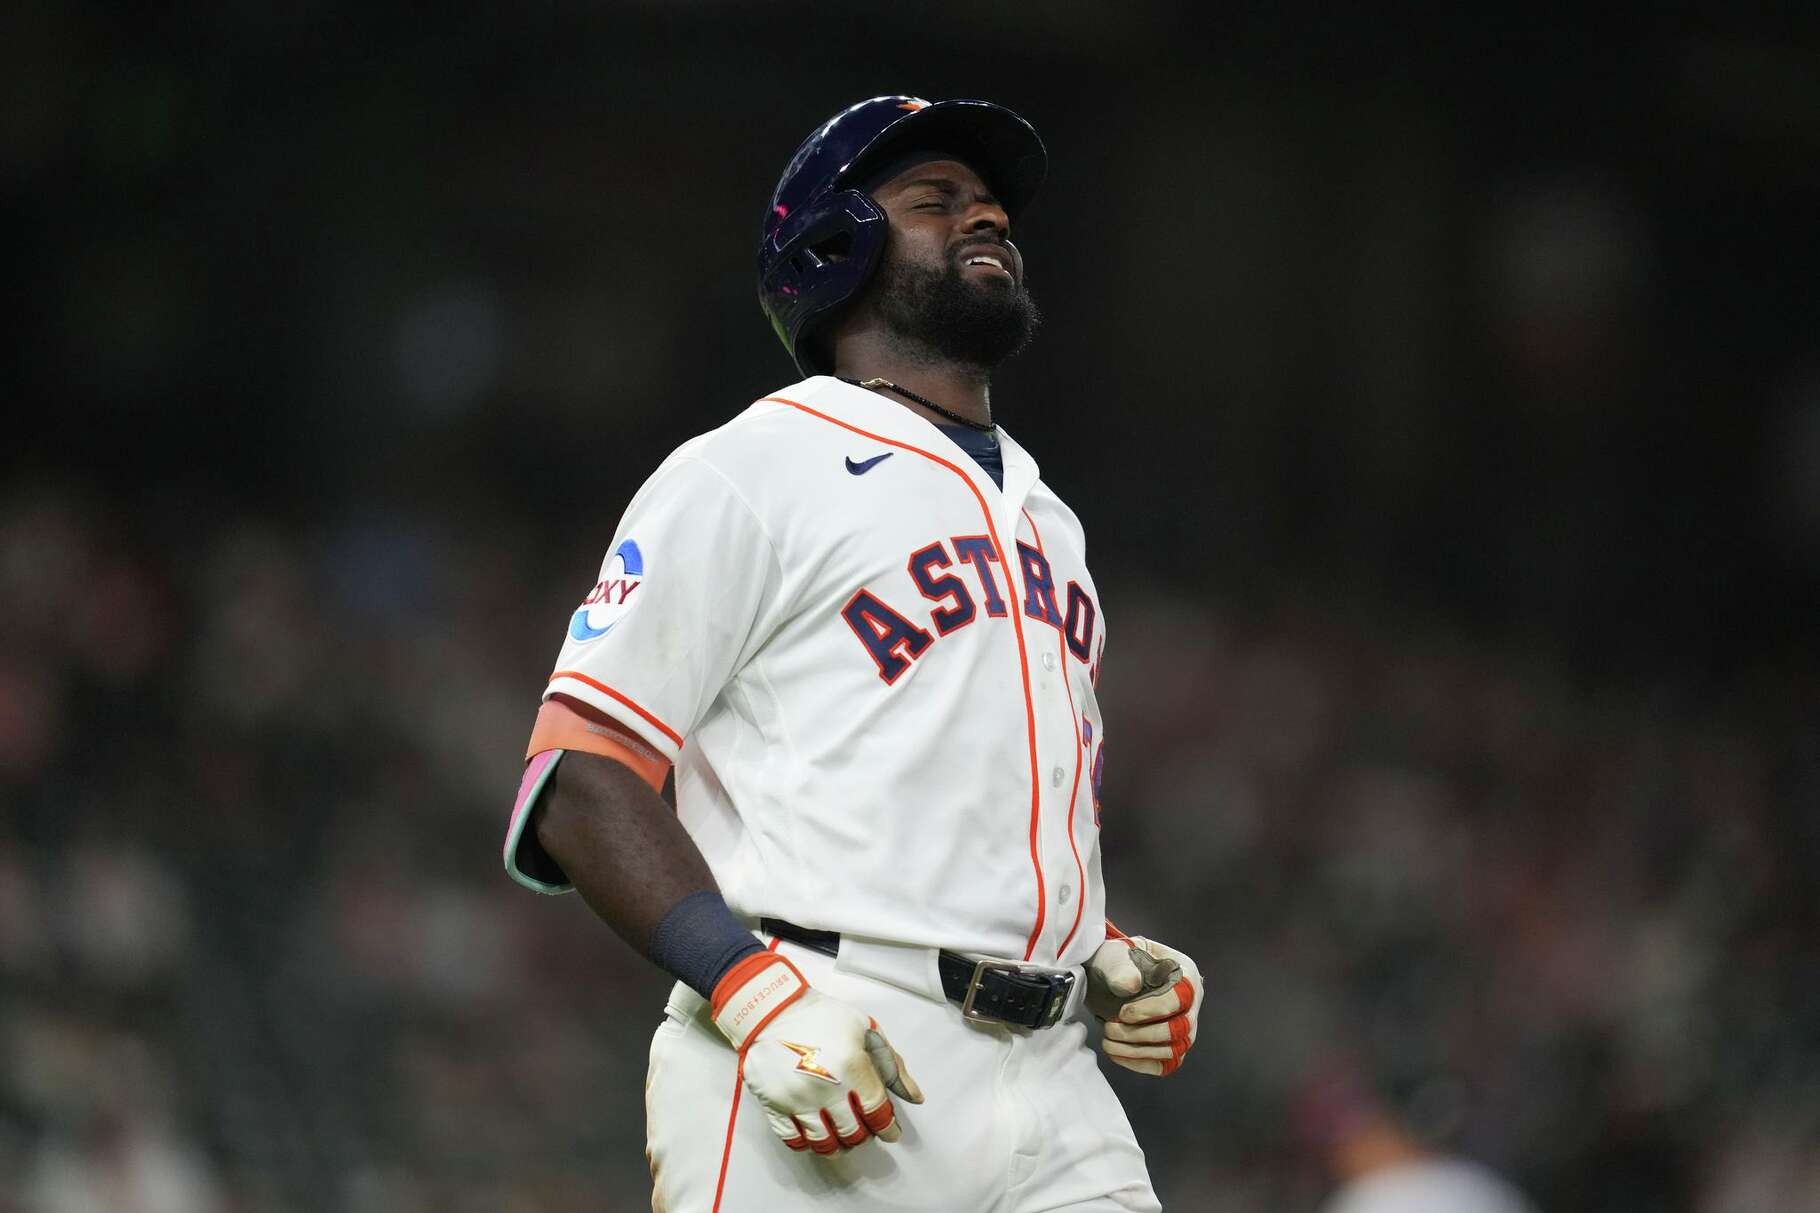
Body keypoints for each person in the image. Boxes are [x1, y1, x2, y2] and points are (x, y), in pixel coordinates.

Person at [503, 95, 1204, 1212]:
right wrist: (750, 993)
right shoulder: (748, 467)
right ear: (835, 245)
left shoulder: (1048, 519)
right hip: (829, 1039)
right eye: (936, 201)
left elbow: (928, 794)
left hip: (1056, 1078)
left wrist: (1099, 945)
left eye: (992, 208)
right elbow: (577, 779)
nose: (986, 220)